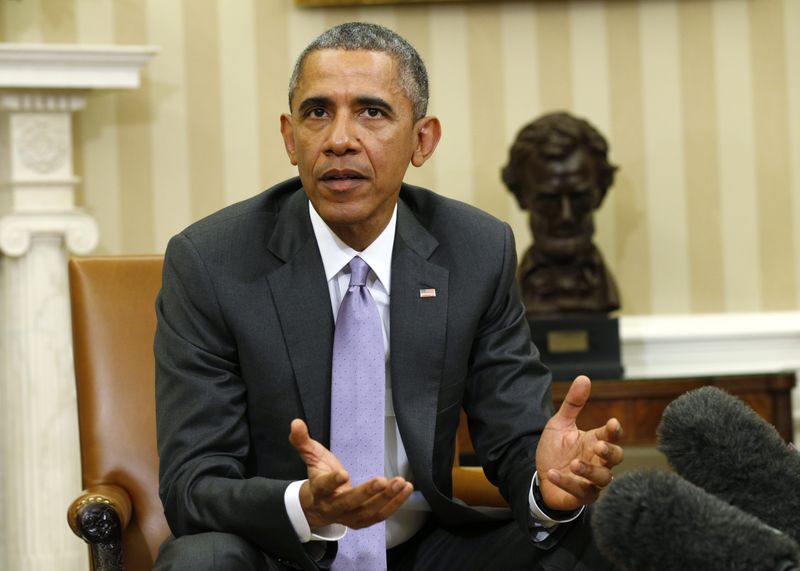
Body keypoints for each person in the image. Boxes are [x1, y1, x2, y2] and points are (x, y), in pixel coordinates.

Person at [153, 22, 623, 571]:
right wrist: (304, 506)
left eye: (372, 112)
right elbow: (194, 481)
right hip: (278, 552)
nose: (339, 139)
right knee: (199, 560)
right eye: (317, 112)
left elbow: (514, 436)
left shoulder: (474, 251)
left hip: (422, 550)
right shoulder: (211, 262)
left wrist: (550, 488)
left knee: (596, 542)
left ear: (422, 140)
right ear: (289, 137)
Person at [502, 112, 620, 316]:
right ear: (521, 196)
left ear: (600, 193)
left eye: (579, 197)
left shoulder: (601, 287)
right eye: (549, 199)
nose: (566, 216)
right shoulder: (512, 291)